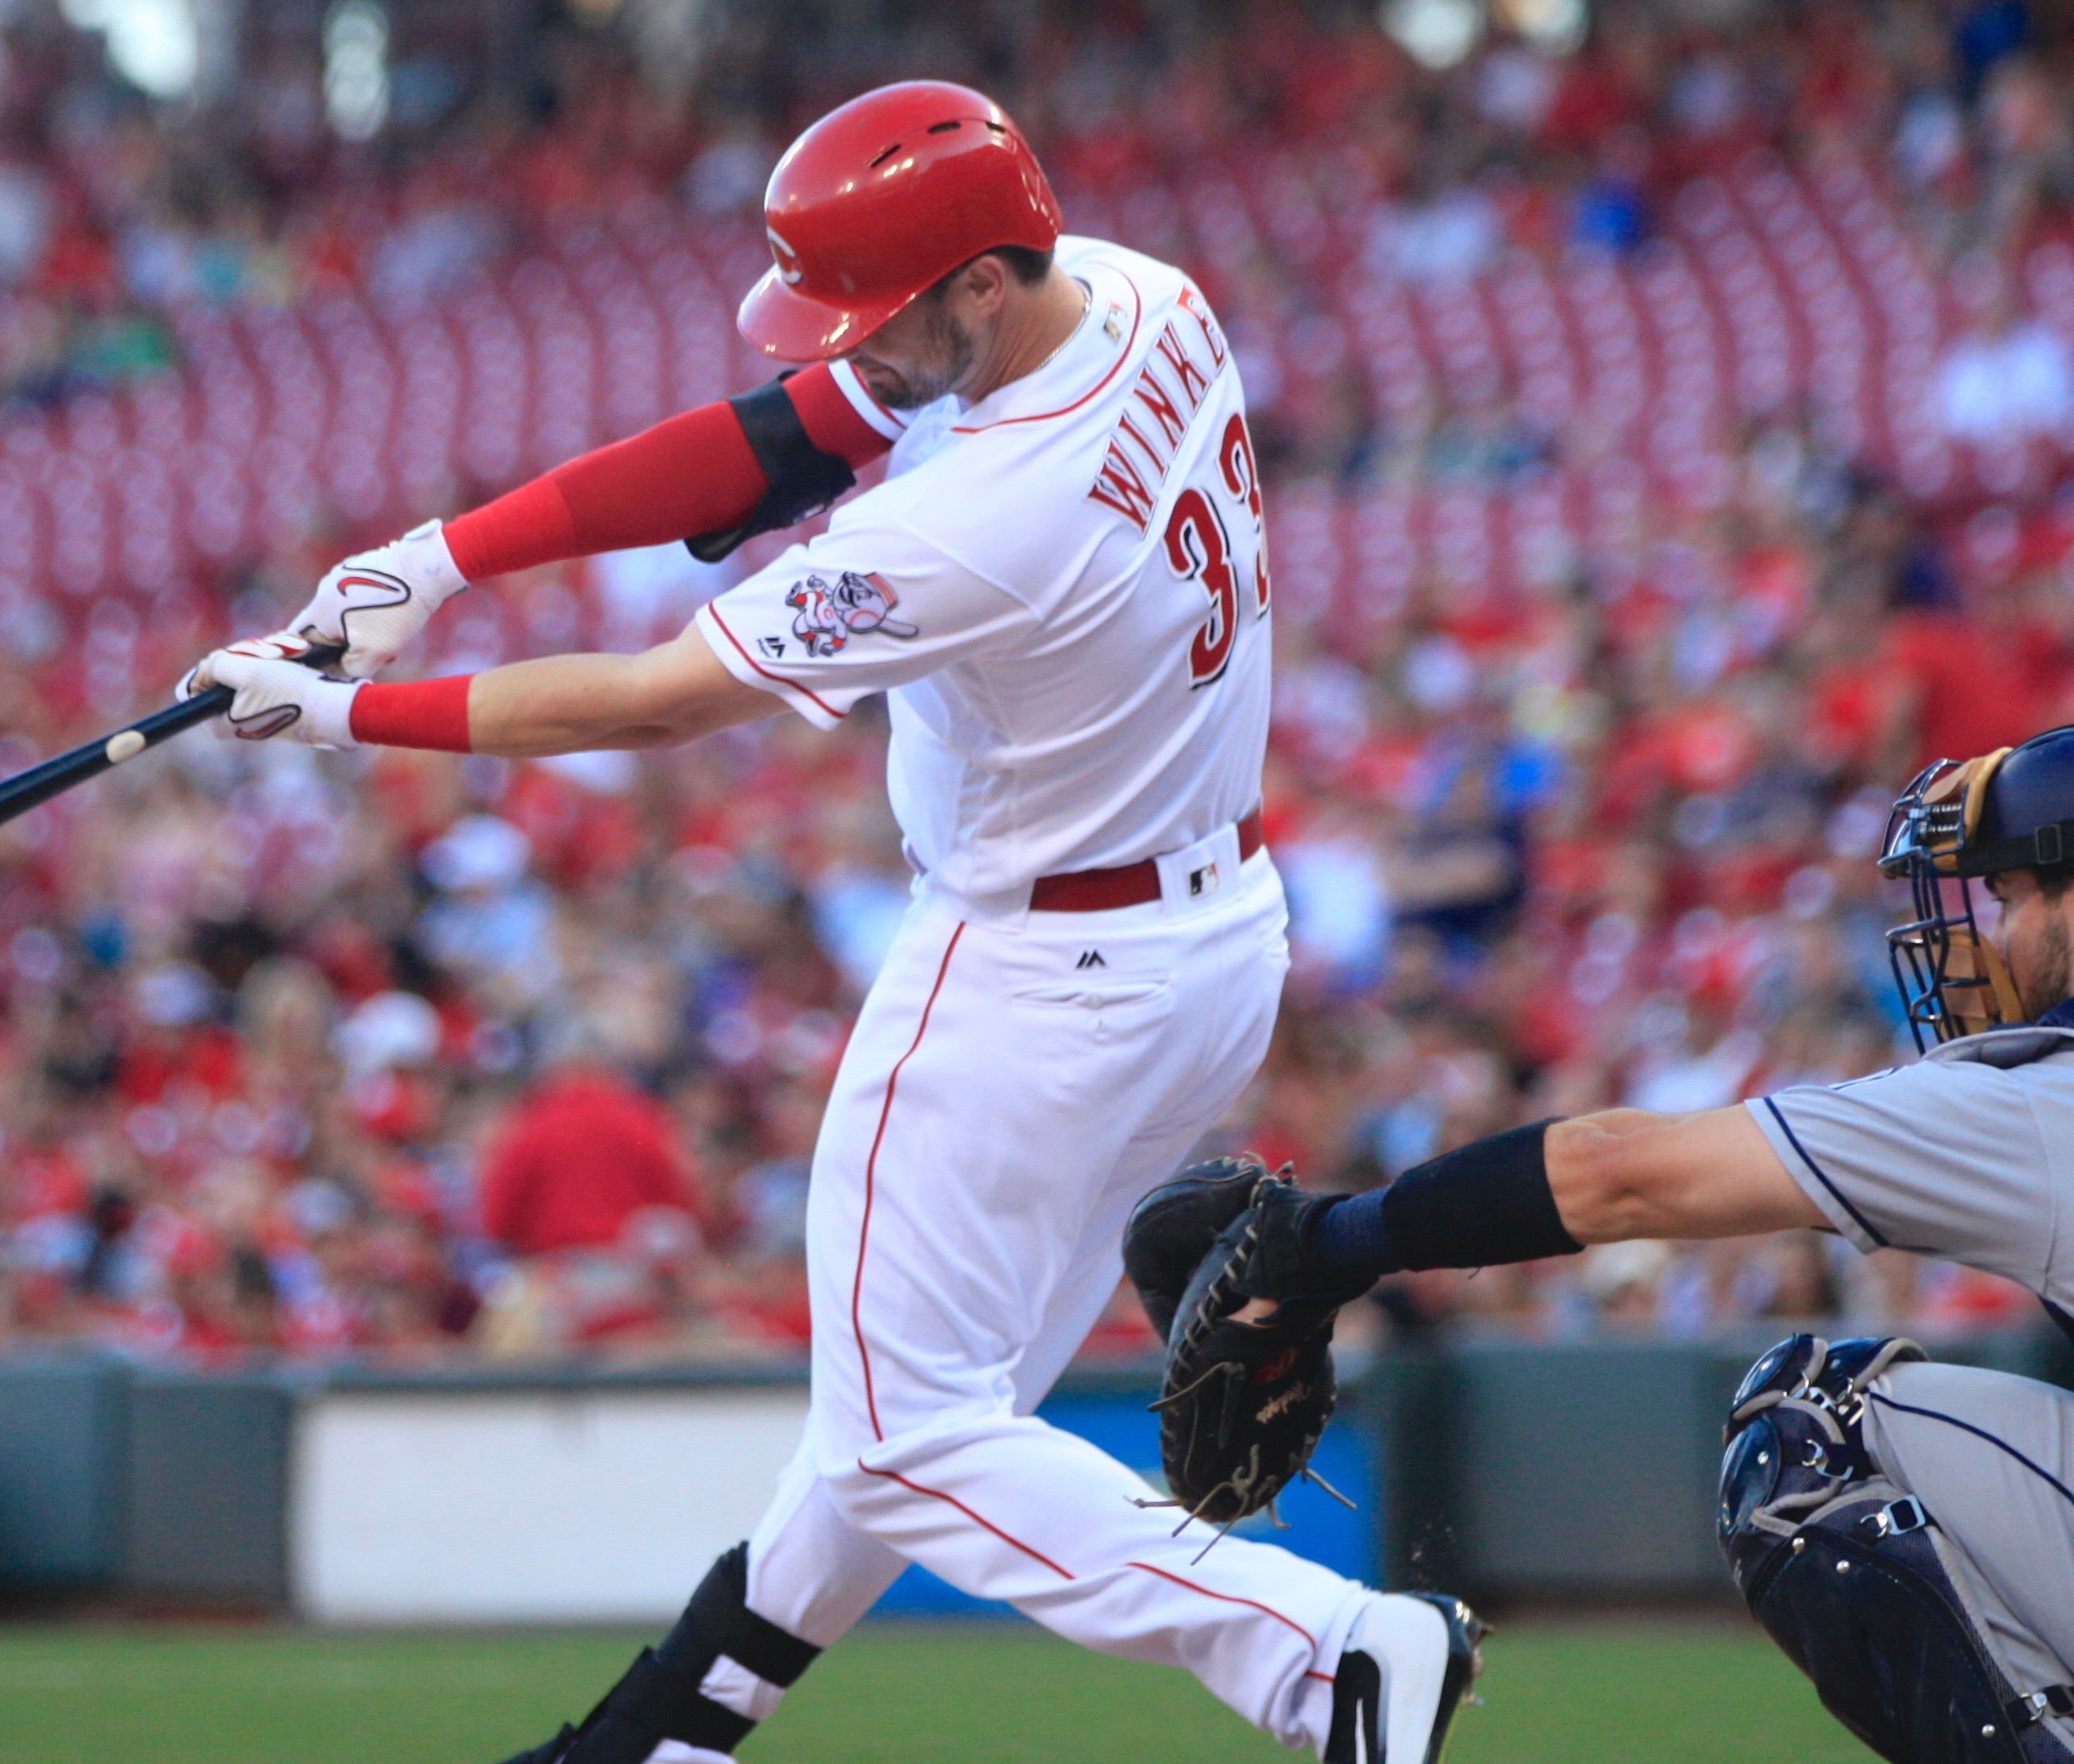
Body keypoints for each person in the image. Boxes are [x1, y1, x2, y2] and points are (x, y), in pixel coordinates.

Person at [184, 81, 1477, 1764]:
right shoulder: (1137, 288)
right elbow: (779, 431)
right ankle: (668, 1731)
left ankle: (1323, 1644)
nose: (847, 348)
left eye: (879, 310)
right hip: (1202, 937)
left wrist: (344, 718)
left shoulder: (984, 516)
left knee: (897, 1439)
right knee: (919, 1414)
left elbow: (652, 700)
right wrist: (437, 555)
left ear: (978, 288)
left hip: (1030, 969)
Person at [1193, 712, 2074, 1764]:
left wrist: (1328, 1240)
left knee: (1818, 1417)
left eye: (2008, 897)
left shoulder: (2064, 1093)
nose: (1990, 933)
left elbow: (1620, 1175)